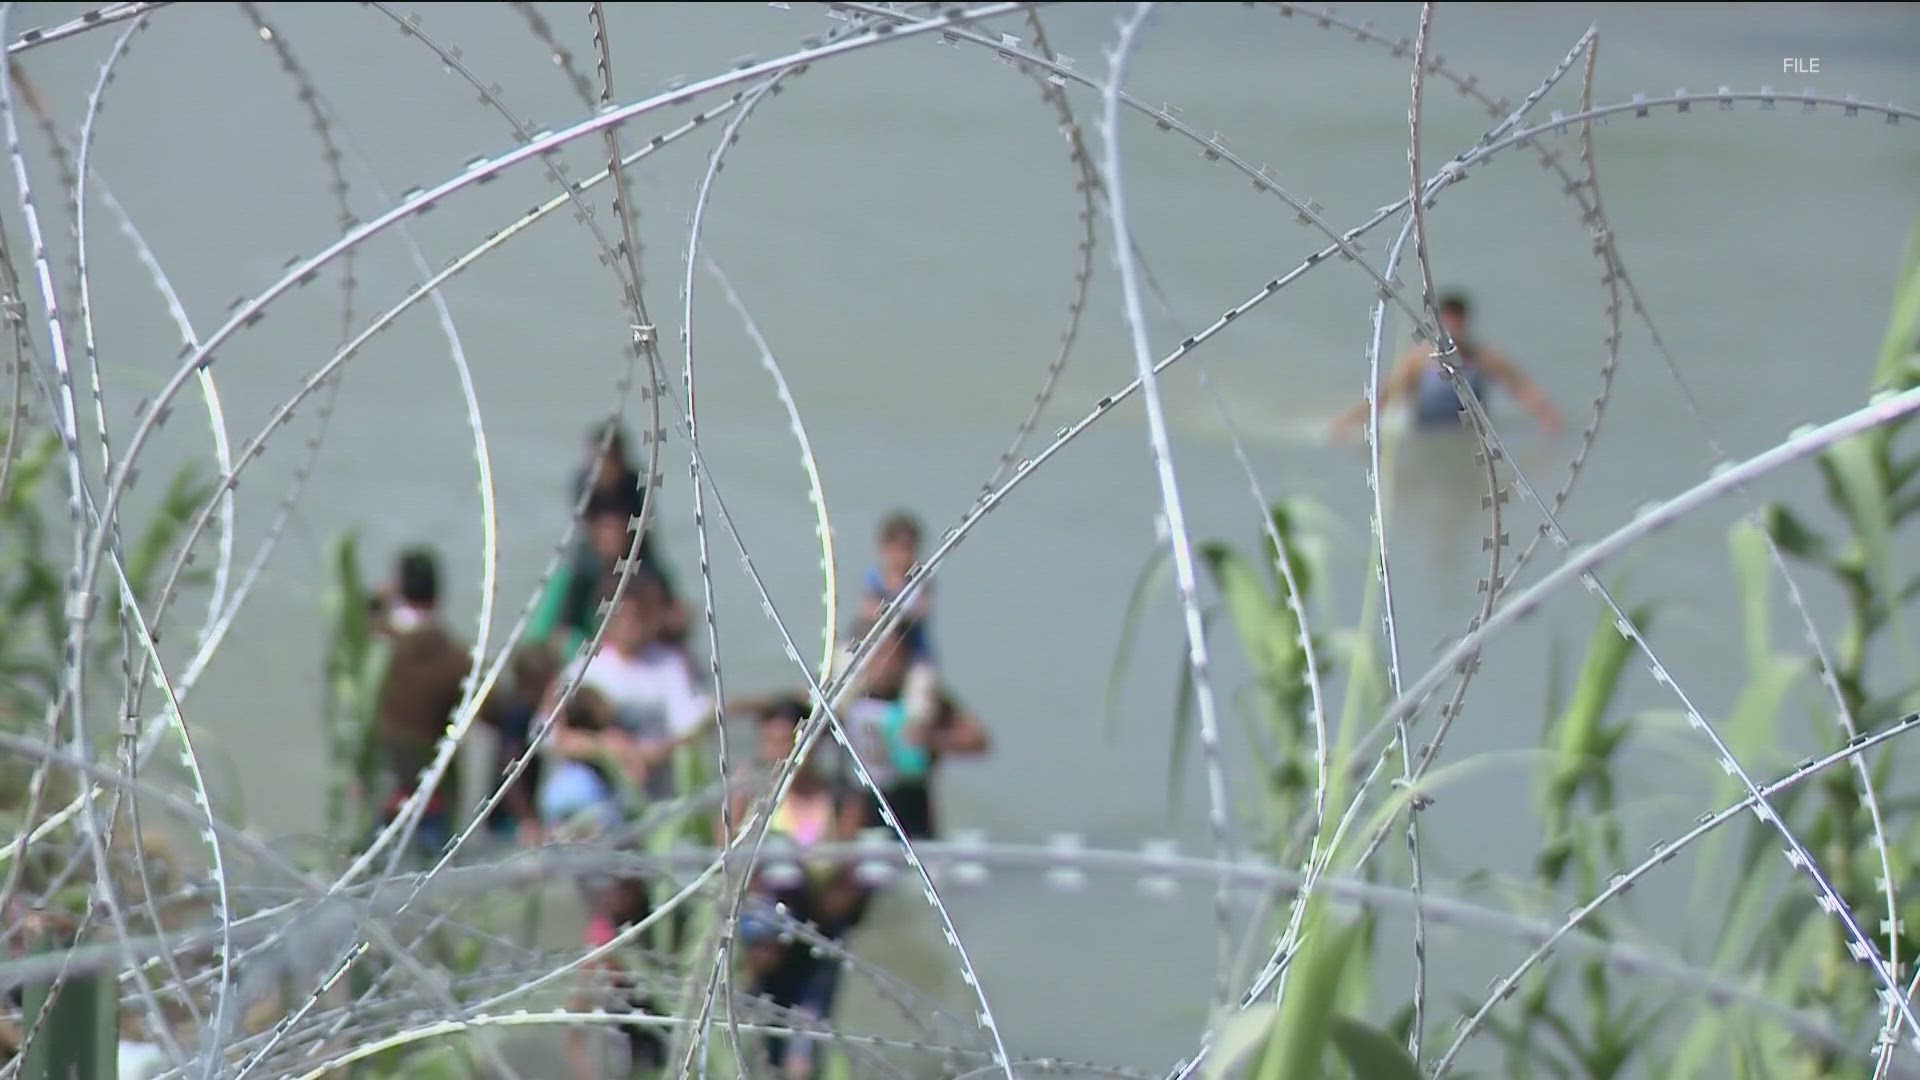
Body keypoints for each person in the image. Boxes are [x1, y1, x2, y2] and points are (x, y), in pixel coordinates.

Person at [726, 697, 873, 1080]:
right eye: (769, 742)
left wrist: (805, 894)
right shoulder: (753, 795)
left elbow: (848, 872)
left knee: (806, 1042)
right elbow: (728, 859)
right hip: (762, 937)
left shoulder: (841, 798)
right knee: (763, 1039)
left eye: (786, 743)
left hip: (818, 930)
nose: (778, 754)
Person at [1327, 291, 1562, 441]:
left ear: (1465, 321)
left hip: (1469, 437)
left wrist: (1547, 416)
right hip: (1427, 434)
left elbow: (1520, 388)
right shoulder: (1418, 359)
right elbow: (1386, 396)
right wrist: (1348, 424)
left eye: (1457, 321)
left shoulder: (1484, 356)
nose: (1452, 328)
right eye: (1447, 321)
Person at [837, 618, 988, 841]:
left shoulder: (923, 697)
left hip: (910, 810)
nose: (884, 663)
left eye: (892, 654)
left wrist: (930, 738)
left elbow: (977, 741)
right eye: (875, 654)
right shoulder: (843, 694)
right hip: (855, 806)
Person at [369, 547, 470, 857]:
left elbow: (355, 614)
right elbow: (491, 710)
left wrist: (379, 601)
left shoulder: (377, 642)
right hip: (432, 791)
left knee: (367, 882)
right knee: (433, 887)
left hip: (383, 783)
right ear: (438, 594)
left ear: (400, 588)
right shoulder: (455, 657)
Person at [528, 496, 685, 659]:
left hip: (643, 655)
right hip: (588, 656)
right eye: (606, 530)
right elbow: (549, 634)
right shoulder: (575, 575)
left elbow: (676, 617)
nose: (612, 538)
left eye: (617, 530)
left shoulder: (650, 573)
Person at [477, 643, 558, 845]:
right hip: (509, 814)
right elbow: (510, 766)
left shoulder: (527, 711)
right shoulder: (519, 715)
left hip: (515, 809)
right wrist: (526, 817)